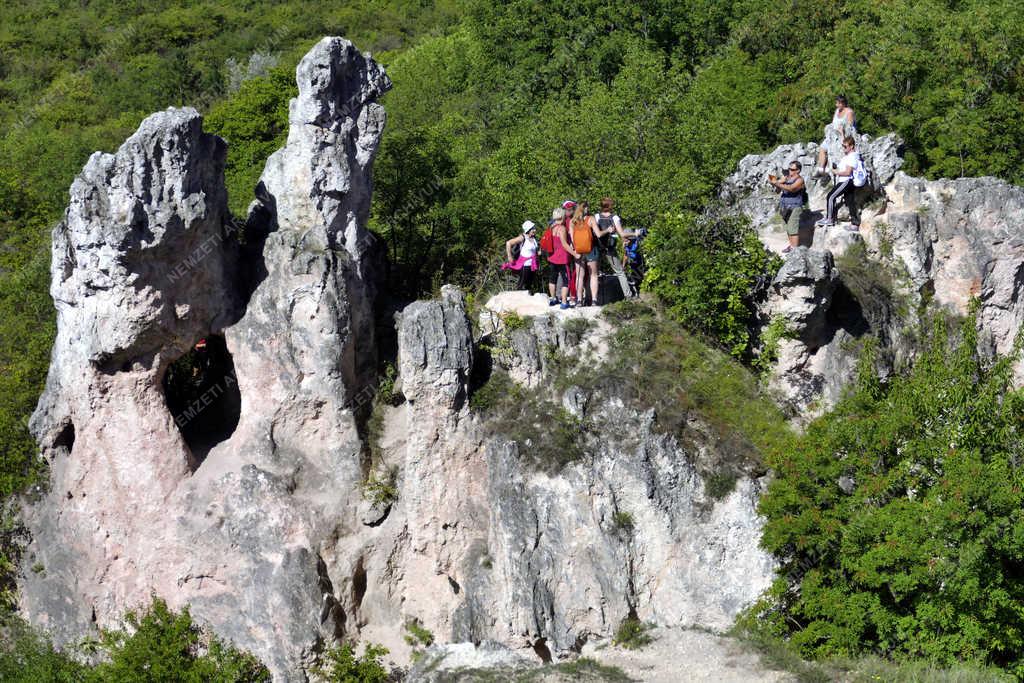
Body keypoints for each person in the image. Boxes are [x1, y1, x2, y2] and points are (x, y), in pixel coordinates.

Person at [594, 197, 639, 298]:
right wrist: (635, 233)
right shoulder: (614, 218)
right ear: (609, 206)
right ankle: (628, 295)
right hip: (609, 248)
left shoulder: (596, 216)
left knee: (594, 273)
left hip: (597, 247)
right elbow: (622, 234)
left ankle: (592, 298)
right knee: (619, 272)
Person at [816, 136, 860, 230]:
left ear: (851, 146)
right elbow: (846, 141)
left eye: (845, 147)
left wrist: (834, 172)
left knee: (830, 196)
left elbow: (848, 172)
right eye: (843, 146)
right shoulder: (849, 156)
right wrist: (841, 133)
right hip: (847, 181)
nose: (843, 148)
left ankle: (829, 219)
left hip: (846, 180)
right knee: (850, 201)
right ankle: (855, 223)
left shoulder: (852, 157)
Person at [768, 161, 807, 253]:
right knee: (788, 228)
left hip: (795, 207)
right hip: (785, 207)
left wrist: (777, 183)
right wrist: (775, 183)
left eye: (793, 169)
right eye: (789, 169)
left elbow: (792, 189)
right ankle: (792, 246)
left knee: (793, 229)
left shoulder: (800, 180)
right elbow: (777, 191)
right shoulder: (786, 178)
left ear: (798, 170)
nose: (790, 171)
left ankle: (795, 250)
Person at [813, 95, 857, 178]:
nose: (836, 105)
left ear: (843, 103)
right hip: (833, 136)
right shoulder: (837, 111)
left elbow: (850, 127)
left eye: (838, 103)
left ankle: (833, 171)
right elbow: (833, 123)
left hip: (844, 136)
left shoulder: (849, 112)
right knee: (822, 148)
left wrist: (841, 131)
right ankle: (821, 170)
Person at [547, 207, 579, 308]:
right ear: (562, 216)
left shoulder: (551, 227)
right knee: (566, 280)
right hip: (562, 259)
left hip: (552, 257)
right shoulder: (562, 228)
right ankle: (564, 302)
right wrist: (575, 254)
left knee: (553, 279)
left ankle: (552, 299)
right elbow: (565, 244)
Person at [570, 202, 600, 305]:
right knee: (593, 275)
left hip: (578, 250)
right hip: (590, 249)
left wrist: (575, 250)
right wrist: (607, 230)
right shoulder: (591, 219)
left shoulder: (572, 221)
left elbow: (572, 239)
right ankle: (594, 300)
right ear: (586, 208)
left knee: (579, 276)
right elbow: (598, 234)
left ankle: (579, 300)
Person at [502, 220, 539, 290]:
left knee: (529, 286)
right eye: (533, 229)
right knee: (521, 285)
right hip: (525, 265)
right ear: (528, 230)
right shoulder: (523, 237)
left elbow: (535, 251)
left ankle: (527, 299)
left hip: (533, 265)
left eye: (534, 228)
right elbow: (508, 243)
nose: (535, 230)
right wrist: (509, 257)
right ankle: (517, 299)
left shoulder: (534, 238)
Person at [561, 200, 579, 304]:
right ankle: (572, 295)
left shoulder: (567, 220)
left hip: (569, 248)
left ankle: (573, 294)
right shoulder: (568, 220)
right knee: (570, 272)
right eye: (568, 209)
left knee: (573, 272)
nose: (569, 211)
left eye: (570, 209)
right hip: (569, 248)